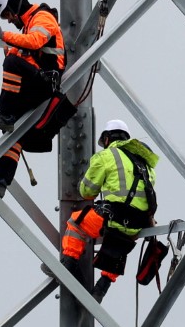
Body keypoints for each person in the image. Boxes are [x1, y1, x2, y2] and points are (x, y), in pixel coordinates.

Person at [0, 0, 75, 191]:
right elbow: (25, 49)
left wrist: (3, 35)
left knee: (11, 63)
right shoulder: (28, 26)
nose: (9, 20)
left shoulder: (42, 17)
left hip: (45, 82)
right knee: (16, 133)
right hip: (36, 84)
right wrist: (8, 44)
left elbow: (35, 42)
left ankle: (6, 114)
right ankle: (1, 180)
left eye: (8, 14)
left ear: (15, 5)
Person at [61, 120, 157, 302]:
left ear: (107, 138)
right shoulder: (146, 165)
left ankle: (67, 263)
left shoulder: (107, 155)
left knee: (76, 223)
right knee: (119, 244)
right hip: (136, 226)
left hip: (113, 217)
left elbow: (87, 191)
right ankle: (102, 287)